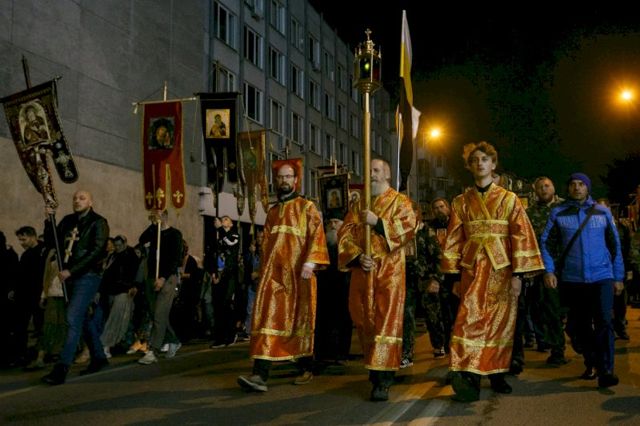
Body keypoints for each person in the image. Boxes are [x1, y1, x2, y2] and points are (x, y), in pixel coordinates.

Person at [441, 142, 543, 402]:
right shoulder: (460, 202)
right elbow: (453, 240)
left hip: (502, 271)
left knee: (501, 324)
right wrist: (453, 277)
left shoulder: (510, 199)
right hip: (472, 270)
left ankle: (497, 374)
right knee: (468, 322)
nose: (480, 163)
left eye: (485, 159)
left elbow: (521, 236)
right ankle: (470, 376)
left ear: (493, 164)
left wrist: (518, 275)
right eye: (475, 160)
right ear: (469, 166)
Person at [237, 162, 329, 392]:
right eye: (280, 177)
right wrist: (262, 270)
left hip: (299, 276)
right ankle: (259, 374)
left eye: (288, 177)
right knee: (267, 319)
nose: (284, 181)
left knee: (299, 319)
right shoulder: (272, 212)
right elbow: (267, 245)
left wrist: (310, 262)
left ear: (296, 180)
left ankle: (306, 366)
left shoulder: (307, 207)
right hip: (274, 277)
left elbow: (317, 235)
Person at [338, 158, 416, 401]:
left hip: (389, 272)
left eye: (376, 170)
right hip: (364, 270)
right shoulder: (359, 204)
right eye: (368, 170)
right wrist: (358, 257)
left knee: (386, 322)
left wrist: (378, 223)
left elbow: (407, 228)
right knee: (364, 320)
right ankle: (374, 369)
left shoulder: (401, 201)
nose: (371, 174)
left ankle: (383, 379)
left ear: (387, 175)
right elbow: (345, 234)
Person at [541, 173, 625, 388]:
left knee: (604, 321)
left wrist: (618, 276)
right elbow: (546, 244)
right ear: (568, 188)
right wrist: (549, 271)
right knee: (578, 326)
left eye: (581, 184)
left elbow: (615, 245)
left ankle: (606, 370)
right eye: (573, 184)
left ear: (588, 188)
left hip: (602, 277)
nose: (577, 188)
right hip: (573, 279)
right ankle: (592, 361)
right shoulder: (558, 213)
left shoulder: (602, 212)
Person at [41, 190, 110, 385]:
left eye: (82, 198)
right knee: (83, 318)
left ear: (91, 202)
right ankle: (99, 357)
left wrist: (72, 270)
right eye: (75, 198)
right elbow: (52, 242)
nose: (77, 201)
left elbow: (97, 251)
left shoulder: (99, 222)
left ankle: (61, 368)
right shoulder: (68, 221)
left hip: (87, 277)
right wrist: (49, 221)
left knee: (72, 318)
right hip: (69, 278)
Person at [510, 177, 568, 376]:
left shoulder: (565, 208)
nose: (544, 189)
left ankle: (560, 347)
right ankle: (550, 345)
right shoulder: (530, 213)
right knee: (540, 309)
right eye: (540, 187)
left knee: (559, 309)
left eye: (547, 186)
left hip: (565, 266)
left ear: (554, 187)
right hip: (539, 268)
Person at [137, 209, 184, 364]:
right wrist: (153, 225)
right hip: (152, 276)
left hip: (167, 278)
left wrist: (163, 277)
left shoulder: (175, 234)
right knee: (155, 313)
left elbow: (175, 259)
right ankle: (173, 340)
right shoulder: (154, 233)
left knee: (159, 314)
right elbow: (141, 239)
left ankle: (153, 350)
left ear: (165, 216)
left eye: (159, 214)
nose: (156, 217)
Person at [315, 212, 352, 368]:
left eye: (336, 221)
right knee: (323, 319)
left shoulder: (349, 242)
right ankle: (323, 353)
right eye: (329, 222)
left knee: (343, 320)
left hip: (344, 286)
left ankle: (341, 353)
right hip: (324, 286)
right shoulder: (321, 242)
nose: (332, 225)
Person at [13, 226, 48, 366]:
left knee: (40, 326)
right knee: (21, 326)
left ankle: (40, 355)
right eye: (20, 240)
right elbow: (20, 276)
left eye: (24, 239)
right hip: (25, 297)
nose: (22, 243)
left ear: (32, 237)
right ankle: (21, 355)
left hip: (39, 295)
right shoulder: (26, 255)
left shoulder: (44, 251)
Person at [100, 235, 139, 358]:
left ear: (124, 244)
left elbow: (135, 272)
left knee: (116, 318)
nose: (117, 248)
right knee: (119, 319)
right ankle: (126, 343)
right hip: (113, 291)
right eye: (116, 245)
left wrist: (134, 286)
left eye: (119, 245)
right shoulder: (113, 256)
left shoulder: (131, 255)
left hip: (124, 291)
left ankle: (108, 344)